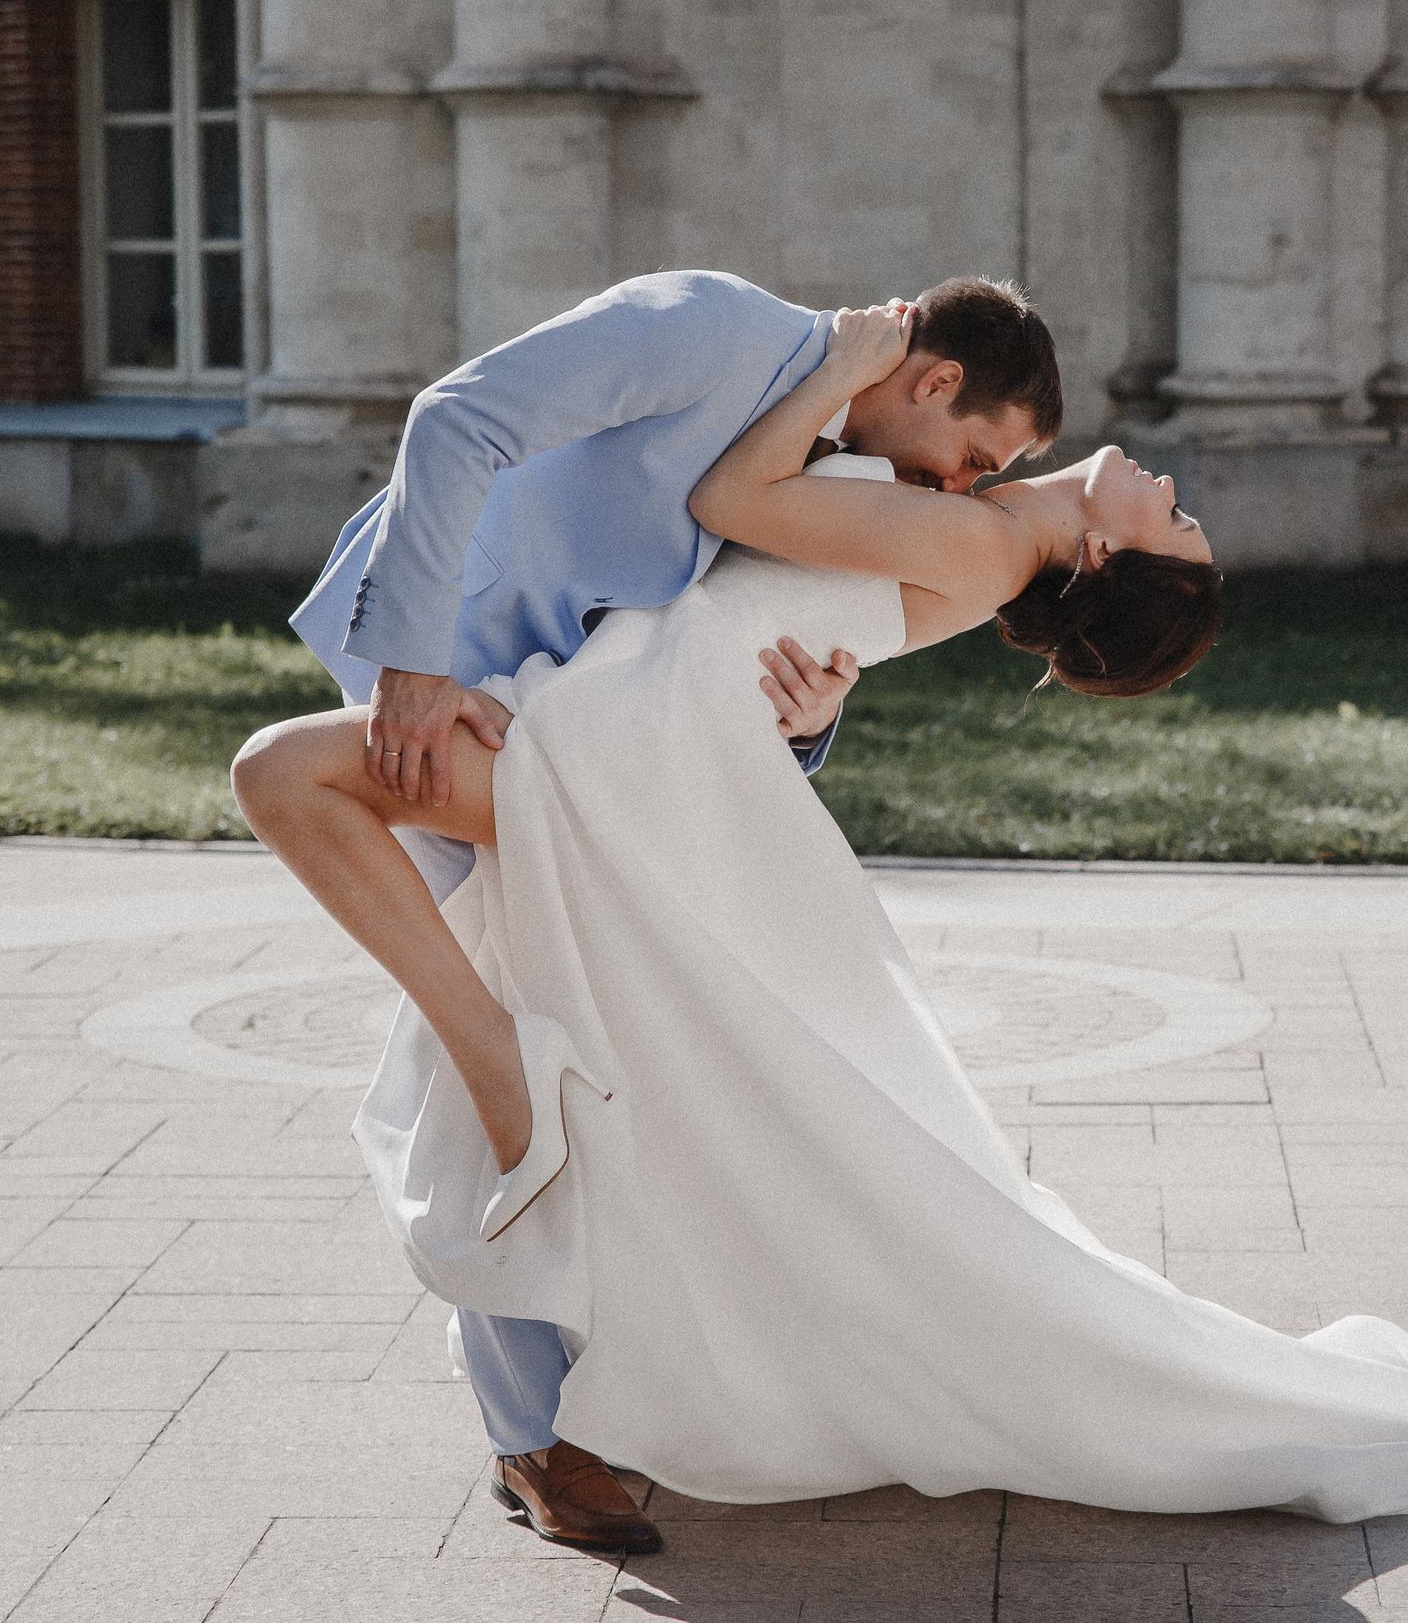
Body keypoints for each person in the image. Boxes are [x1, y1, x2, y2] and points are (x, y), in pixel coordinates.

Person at [236, 306, 1408, 1548]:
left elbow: (735, 508)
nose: (1173, 484)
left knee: (288, 780)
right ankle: (542, 1371)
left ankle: (515, 1159)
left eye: (1172, 519)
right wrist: (812, 687)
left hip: (625, 741)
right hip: (630, 715)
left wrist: (833, 373)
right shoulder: (970, 521)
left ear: (1106, 559)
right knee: (528, 1014)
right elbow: (776, 594)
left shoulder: (988, 545)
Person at [280, 272, 1064, 1547]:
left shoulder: (823, 448)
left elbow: (717, 631)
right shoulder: (714, 327)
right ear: (932, 381)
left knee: (570, 1031)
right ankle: (535, 1438)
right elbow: (456, 419)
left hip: (574, 731)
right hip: (446, 685)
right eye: (971, 454)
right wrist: (416, 669)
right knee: (509, 1033)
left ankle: (558, 1409)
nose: (962, 489)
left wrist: (808, 726)